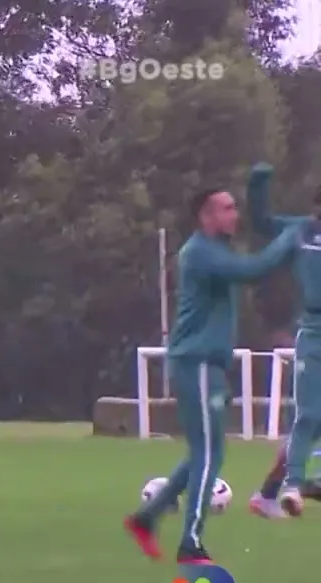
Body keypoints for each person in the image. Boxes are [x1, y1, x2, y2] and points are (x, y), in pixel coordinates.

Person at [125, 189, 297, 564]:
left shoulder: (214, 252)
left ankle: (147, 518)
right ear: (206, 216)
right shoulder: (202, 252)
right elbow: (254, 270)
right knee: (207, 454)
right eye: (227, 208)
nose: (235, 215)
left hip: (208, 364)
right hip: (197, 363)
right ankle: (190, 543)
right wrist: (290, 237)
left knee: (208, 451)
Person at [245, 165, 321, 515]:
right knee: (309, 417)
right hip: (315, 335)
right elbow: (261, 222)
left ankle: (277, 490)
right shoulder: (300, 232)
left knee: (312, 424)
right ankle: (290, 487)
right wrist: (258, 184)